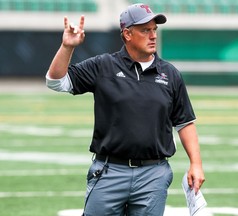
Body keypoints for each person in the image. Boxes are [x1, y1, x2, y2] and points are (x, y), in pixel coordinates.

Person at [46, 3, 205, 216]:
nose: (153, 36)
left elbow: (184, 122)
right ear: (127, 34)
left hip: (153, 174)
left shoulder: (170, 74)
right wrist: (68, 47)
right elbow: (56, 82)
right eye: (145, 30)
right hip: (110, 172)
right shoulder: (103, 66)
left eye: (154, 30)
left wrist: (196, 163)